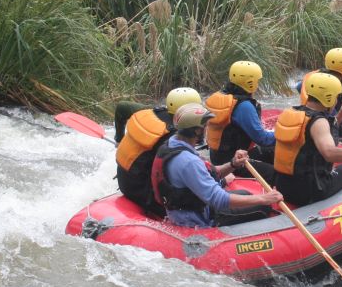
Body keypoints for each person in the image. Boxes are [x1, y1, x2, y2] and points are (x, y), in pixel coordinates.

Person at [152, 103, 283, 228]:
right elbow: (217, 199)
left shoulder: (173, 143)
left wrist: (233, 164)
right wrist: (263, 199)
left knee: (244, 193)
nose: (207, 129)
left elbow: (209, 172)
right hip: (197, 218)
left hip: (191, 208)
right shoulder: (188, 162)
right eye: (206, 126)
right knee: (263, 207)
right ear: (197, 131)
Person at [274, 72, 342, 206]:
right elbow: (329, 153)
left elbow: (310, 137)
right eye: (337, 97)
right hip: (311, 191)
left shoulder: (291, 112)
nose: (338, 100)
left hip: (284, 187)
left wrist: (339, 117)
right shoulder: (319, 122)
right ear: (328, 97)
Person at [115, 87, 202, 217]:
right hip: (143, 193)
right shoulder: (175, 138)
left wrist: (119, 138)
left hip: (124, 181)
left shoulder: (150, 112)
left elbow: (122, 107)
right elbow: (182, 173)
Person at [203, 61, 277, 177]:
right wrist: (282, 134)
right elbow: (263, 139)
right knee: (275, 173)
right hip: (235, 161)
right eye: (257, 80)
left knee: (273, 151)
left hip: (218, 156)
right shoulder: (244, 106)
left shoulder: (222, 95)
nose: (258, 83)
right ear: (250, 83)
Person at [296, 47, 342, 142]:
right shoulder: (331, 86)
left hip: (308, 113)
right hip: (319, 121)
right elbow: (335, 115)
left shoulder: (319, 75)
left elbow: (299, 86)